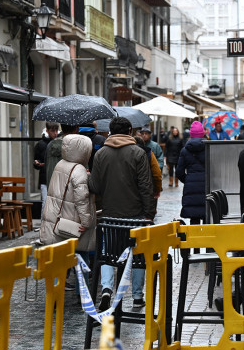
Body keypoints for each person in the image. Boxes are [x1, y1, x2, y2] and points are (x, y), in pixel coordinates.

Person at [89, 116, 155, 310]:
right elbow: (145, 185)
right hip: (135, 214)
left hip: (110, 215)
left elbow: (95, 186)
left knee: (108, 252)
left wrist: (87, 177)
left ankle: (107, 289)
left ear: (110, 132)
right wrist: (149, 213)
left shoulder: (101, 154)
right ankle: (136, 296)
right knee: (137, 254)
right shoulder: (138, 152)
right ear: (129, 131)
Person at [40, 133, 97, 283]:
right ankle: (82, 293)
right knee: (81, 257)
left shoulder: (60, 164)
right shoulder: (78, 169)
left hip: (58, 218)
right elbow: (82, 199)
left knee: (60, 258)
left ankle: (55, 290)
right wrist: (86, 222)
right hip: (73, 222)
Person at [177, 121, 208, 225]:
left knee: (194, 218)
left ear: (191, 134)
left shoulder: (184, 150)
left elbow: (179, 172)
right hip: (207, 185)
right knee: (207, 215)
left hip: (191, 186)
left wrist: (188, 180)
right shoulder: (209, 148)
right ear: (202, 133)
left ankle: (194, 239)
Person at [33, 122, 59, 215]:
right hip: (45, 178)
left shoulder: (59, 143)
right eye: (52, 131)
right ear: (47, 131)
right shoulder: (41, 144)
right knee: (45, 202)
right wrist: (37, 163)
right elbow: (35, 161)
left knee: (55, 203)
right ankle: (43, 225)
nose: (55, 133)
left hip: (56, 177)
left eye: (56, 130)